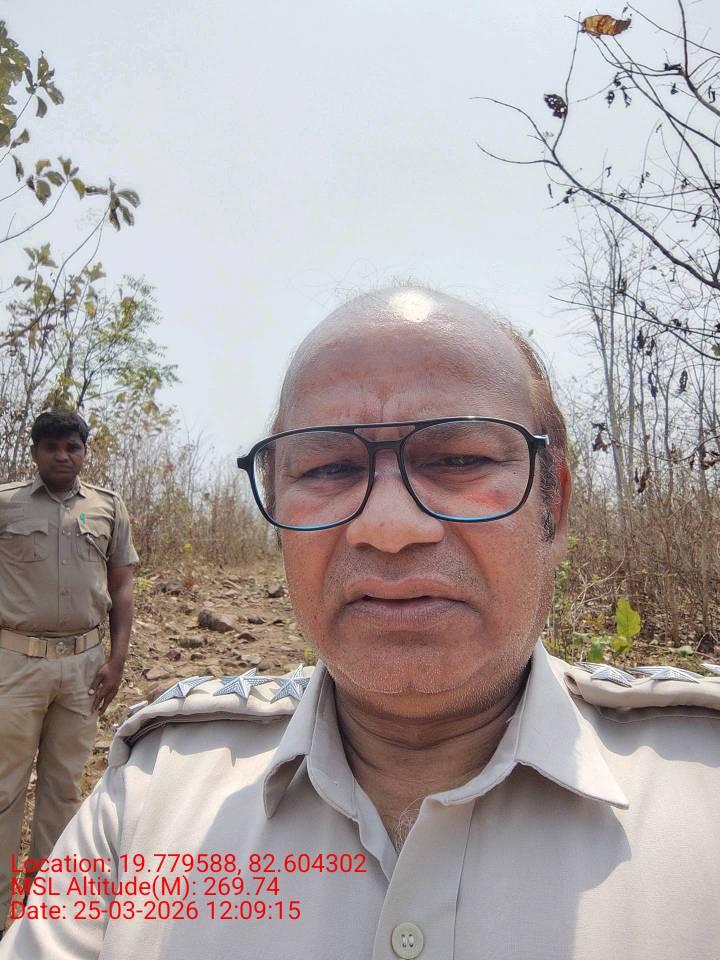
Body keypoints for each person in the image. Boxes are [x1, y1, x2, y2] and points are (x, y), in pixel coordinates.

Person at [2, 289, 719, 960]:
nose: (389, 526)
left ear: (553, 508)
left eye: (460, 459)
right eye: (327, 469)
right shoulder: (151, 797)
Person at [0, 410, 138, 941]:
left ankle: (43, 922)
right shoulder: (7, 504)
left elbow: (121, 586)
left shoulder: (107, 507)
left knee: (62, 791)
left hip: (84, 668)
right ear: (34, 451)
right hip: (15, 664)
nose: (63, 456)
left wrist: (116, 661)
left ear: (85, 452)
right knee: (5, 792)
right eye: (52, 447)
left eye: (72, 447)